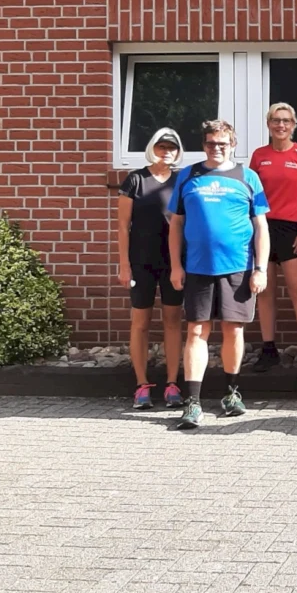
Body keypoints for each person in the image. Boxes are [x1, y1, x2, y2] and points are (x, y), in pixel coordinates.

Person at [168, 120, 270, 429]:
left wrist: (260, 268)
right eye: (211, 143)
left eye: (223, 143)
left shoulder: (248, 176)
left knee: (233, 330)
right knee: (196, 332)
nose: (217, 148)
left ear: (233, 145)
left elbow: (261, 226)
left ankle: (231, 393)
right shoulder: (188, 176)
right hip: (197, 268)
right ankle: (193, 401)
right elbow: (175, 225)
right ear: (204, 144)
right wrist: (176, 265)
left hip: (238, 267)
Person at [117, 127, 185, 410]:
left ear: (178, 152)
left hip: (173, 263)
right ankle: (141, 385)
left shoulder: (182, 180)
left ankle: (172, 384)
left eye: (171, 147)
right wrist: (123, 264)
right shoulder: (135, 179)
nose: (166, 152)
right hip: (141, 262)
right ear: (152, 148)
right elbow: (123, 225)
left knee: (172, 321)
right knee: (140, 323)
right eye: (161, 147)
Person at [249, 103, 297, 373]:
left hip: (293, 229)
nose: (281, 125)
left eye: (287, 121)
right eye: (276, 120)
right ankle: (269, 350)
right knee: (265, 292)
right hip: (263, 228)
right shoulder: (259, 155)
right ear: (268, 124)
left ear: (294, 125)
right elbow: (252, 193)